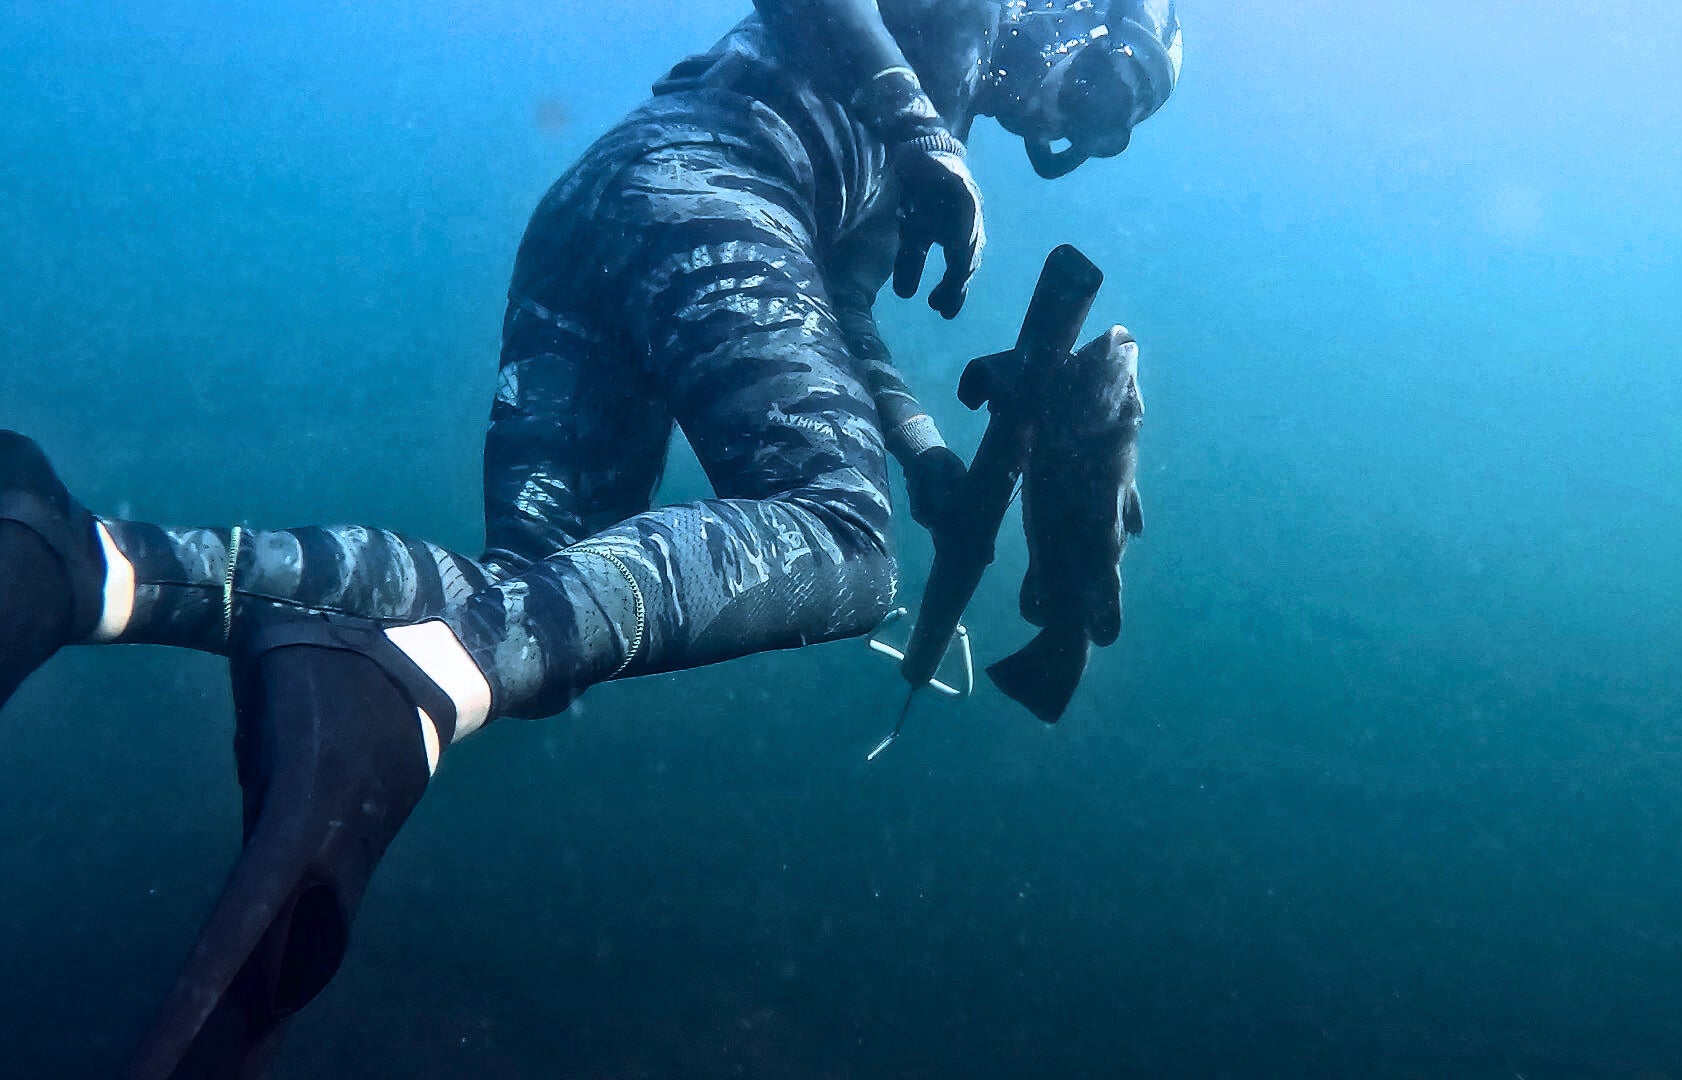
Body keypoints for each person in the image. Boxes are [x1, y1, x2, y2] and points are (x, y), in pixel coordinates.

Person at [0, 1, 1181, 1074]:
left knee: (521, 597)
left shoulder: (936, 120)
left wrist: (926, 459)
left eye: (1107, 127)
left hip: (610, 204)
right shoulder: (965, 26)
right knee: (841, 542)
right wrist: (917, 128)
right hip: (720, 194)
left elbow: (841, 308)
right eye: (1105, 89)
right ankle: (418, 692)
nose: (1075, 122)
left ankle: (91, 568)